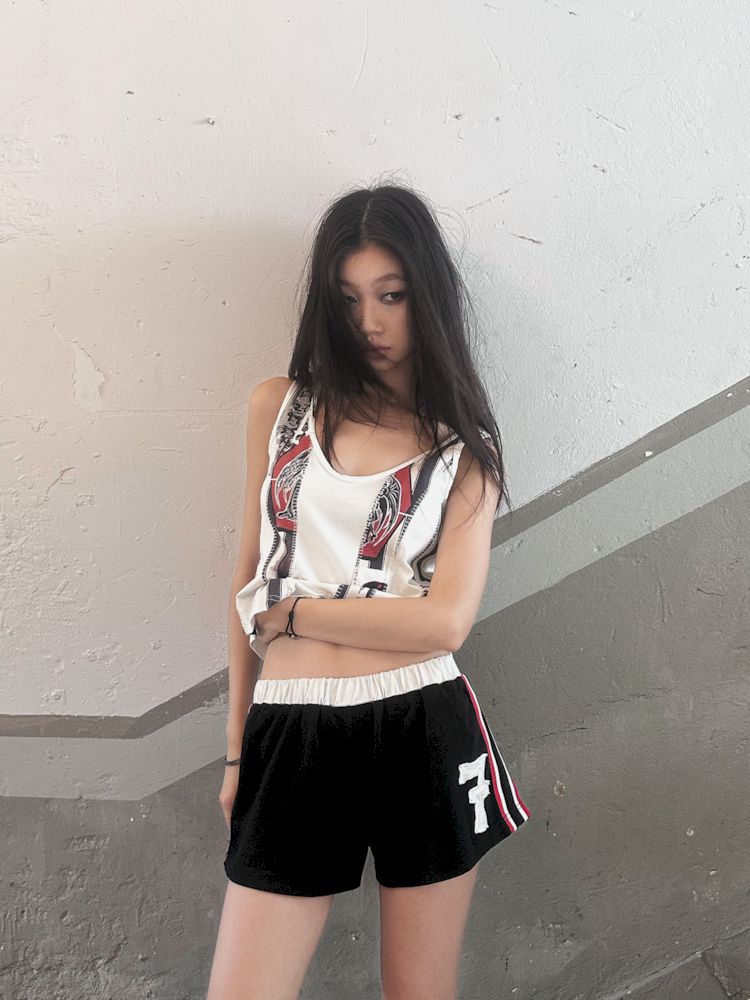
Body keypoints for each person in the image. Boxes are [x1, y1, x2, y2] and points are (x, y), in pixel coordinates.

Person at [207, 183, 531, 1000]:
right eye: (349, 298)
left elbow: (445, 624)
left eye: (392, 295)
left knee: (418, 992)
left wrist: (296, 614)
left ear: (427, 297)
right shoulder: (279, 408)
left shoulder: (463, 452)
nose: (370, 322)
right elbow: (246, 576)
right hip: (291, 725)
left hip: (421, 723)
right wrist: (239, 747)